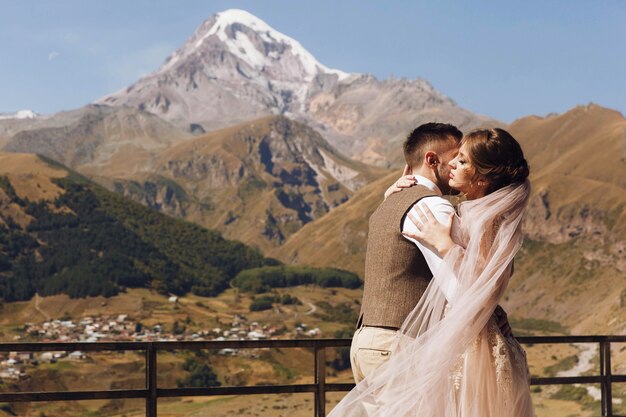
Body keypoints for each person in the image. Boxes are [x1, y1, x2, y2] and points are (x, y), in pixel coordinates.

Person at [335, 128, 533, 417]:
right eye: (455, 157)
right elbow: (462, 287)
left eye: (462, 160)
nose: (454, 164)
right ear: (431, 159)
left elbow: (477, 280)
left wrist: (447, 247)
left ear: (481, 175)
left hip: (366, 341)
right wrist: (490, 309)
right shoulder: (434, 206)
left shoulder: (397, 202)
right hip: (397, 344)